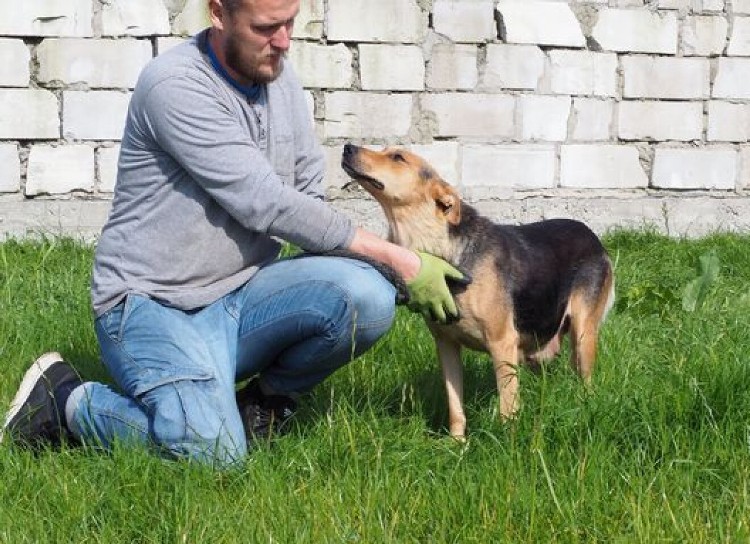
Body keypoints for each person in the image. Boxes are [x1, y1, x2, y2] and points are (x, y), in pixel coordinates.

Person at [1, 0, 465, 466]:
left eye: (289, 23)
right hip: (151, 306)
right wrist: (400, 260)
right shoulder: (175, 85)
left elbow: (307, 205)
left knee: (368, 297)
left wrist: (392, 272)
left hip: (241, 297)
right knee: (213, 456)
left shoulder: (279, 76)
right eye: (266, 27)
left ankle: (260, 406)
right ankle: (68, 401)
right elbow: (263, 201)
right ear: (218, 13)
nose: (283, 41)